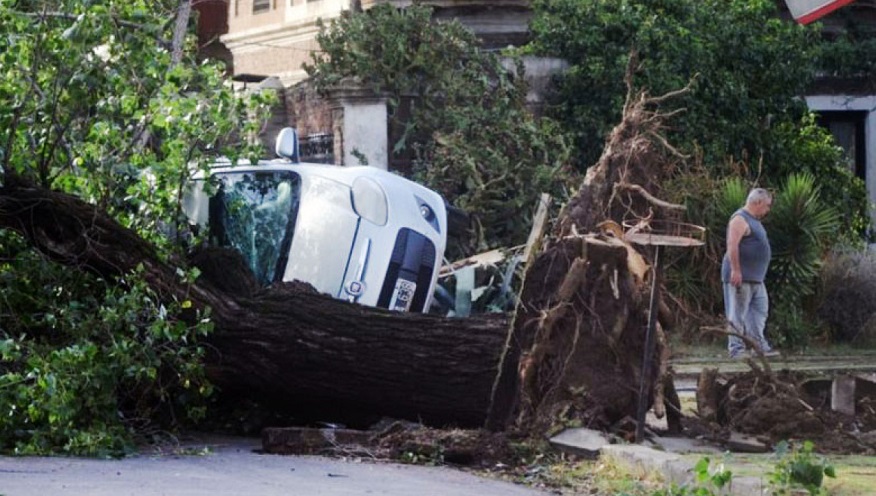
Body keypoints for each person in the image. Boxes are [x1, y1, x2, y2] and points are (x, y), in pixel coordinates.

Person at [721, 188, 779, 358]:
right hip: (742, 277)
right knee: (737, 314)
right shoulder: (740, 219)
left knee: (759, 311)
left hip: (756, 279)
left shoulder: (754, 221)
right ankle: (736, 350)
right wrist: (736, 270)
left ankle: (758, 346)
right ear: (758, 202)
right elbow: (732, 246)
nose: (768, 210)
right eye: (767, 206)